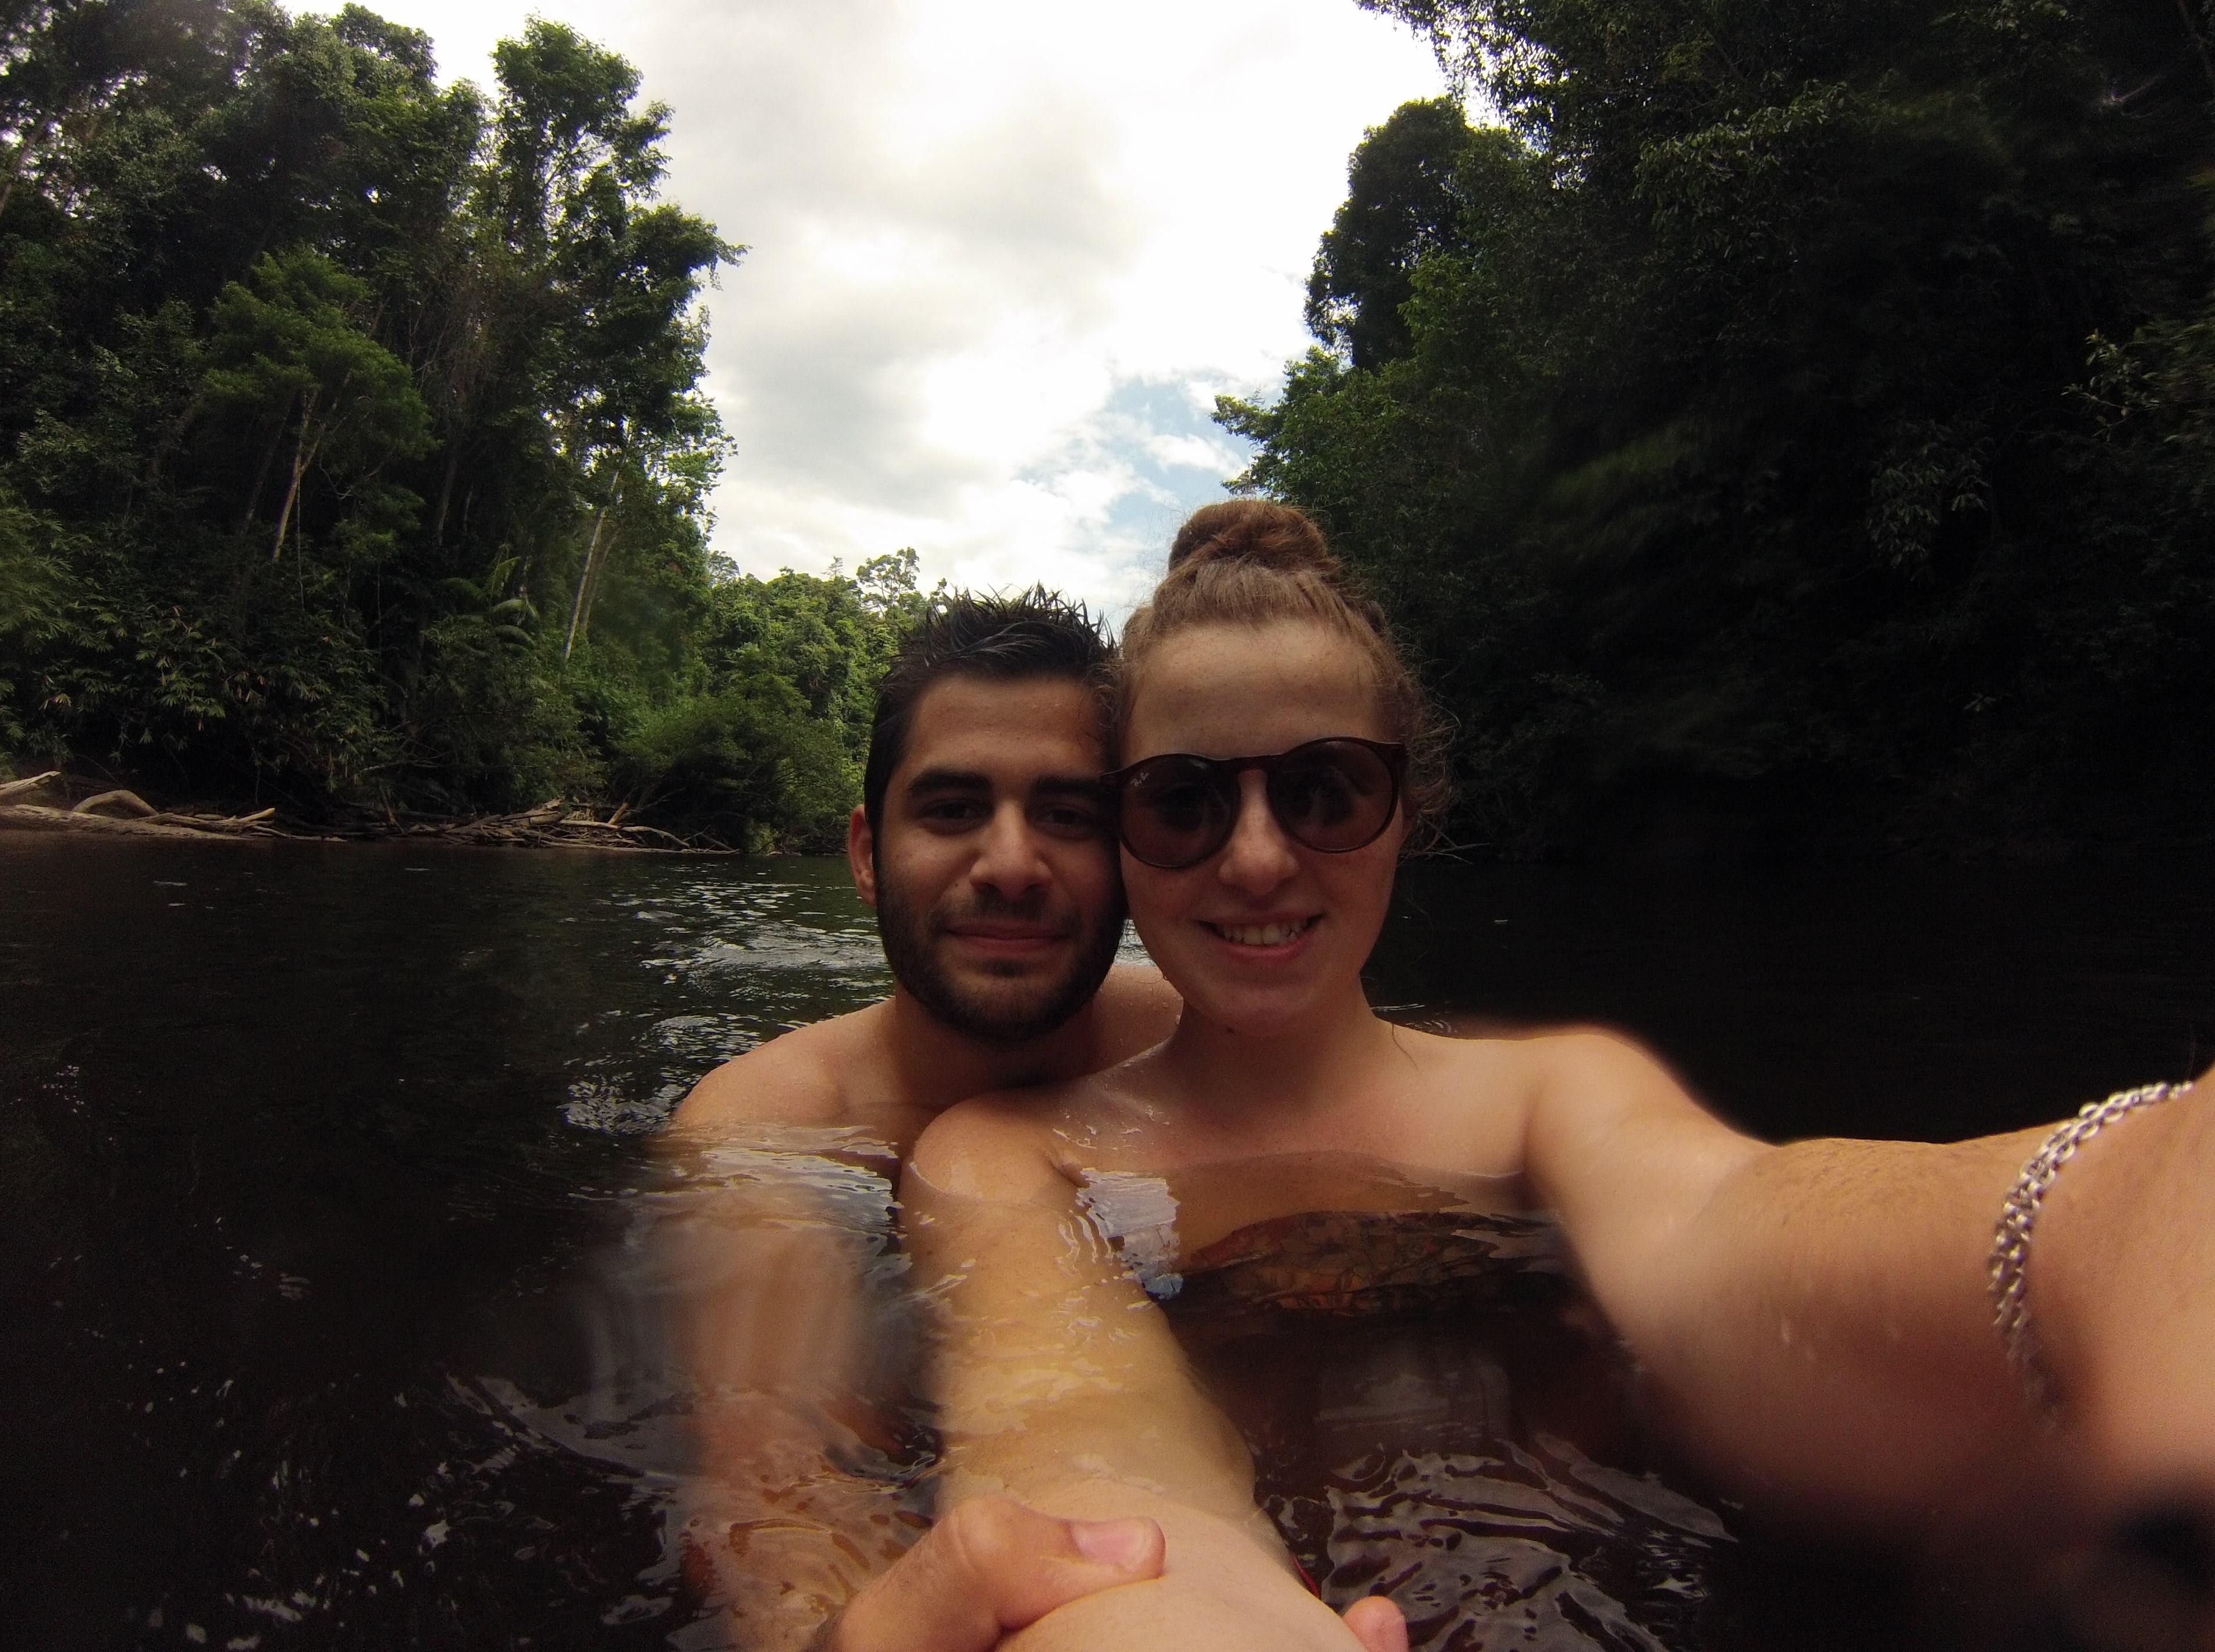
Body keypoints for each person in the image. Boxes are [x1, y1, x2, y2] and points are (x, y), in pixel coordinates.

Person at [900, 500, 2215, 1651]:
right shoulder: (1004, 1158)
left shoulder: (1554, 1095)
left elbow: (1728, 1242)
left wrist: (2126, 1212)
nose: (1254, 859)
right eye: (1183, 801)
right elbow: (1085, 1451)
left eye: (1327, 790)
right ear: (1123, 833)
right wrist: (1158, 1617)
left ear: (1407, 812)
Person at [663, 588, 1185, 1652]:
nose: (1009, 865)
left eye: (1068, 814)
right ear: (866, 853)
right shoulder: (765, 1126)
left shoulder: (1199, 1049)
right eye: (952, 810)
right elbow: (776, 1498)